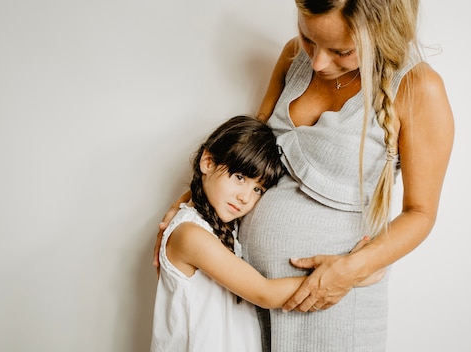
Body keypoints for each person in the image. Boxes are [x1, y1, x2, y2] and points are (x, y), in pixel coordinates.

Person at [154, 0, 454, 351]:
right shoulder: (291, 57)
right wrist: (193, 204)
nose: (317, 62)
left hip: (331, 304)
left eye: (342, 51)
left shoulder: (419, 88)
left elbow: (421, 213)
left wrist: (353, 272)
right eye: (309, 39)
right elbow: (249, 151)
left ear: (382, 33)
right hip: (247, 299)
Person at [150, 115, 382, 352]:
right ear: (207, 162)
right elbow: (264, 293)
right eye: (240, 178)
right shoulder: (190, 235)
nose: (245, 197)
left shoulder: (221, 224)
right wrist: (351, 275)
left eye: (258, 189)